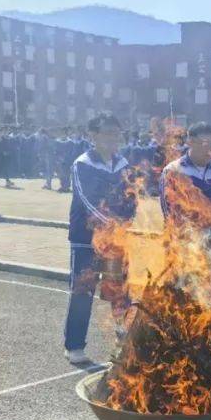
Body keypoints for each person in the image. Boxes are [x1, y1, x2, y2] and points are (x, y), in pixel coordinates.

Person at [64, 115, 130, 364]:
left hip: (116, 241)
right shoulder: (83, 163)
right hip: (86, 239)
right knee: (83, 291)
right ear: (93, 135)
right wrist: (112, 224)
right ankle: (74, 346)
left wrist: (128, 223)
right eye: (106, 133)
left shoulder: (122, 163)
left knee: (118, 290)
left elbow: (130, 197)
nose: (112, 138)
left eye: (116, 133)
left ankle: (123, 341)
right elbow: (87, 200)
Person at [159, 121, 211, 250]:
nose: (210, 149)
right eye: (205, 144)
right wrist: (191, 235)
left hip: (210, 247)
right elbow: (168, 209)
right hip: (180, 246)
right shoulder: (173, 171)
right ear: (190, 142)